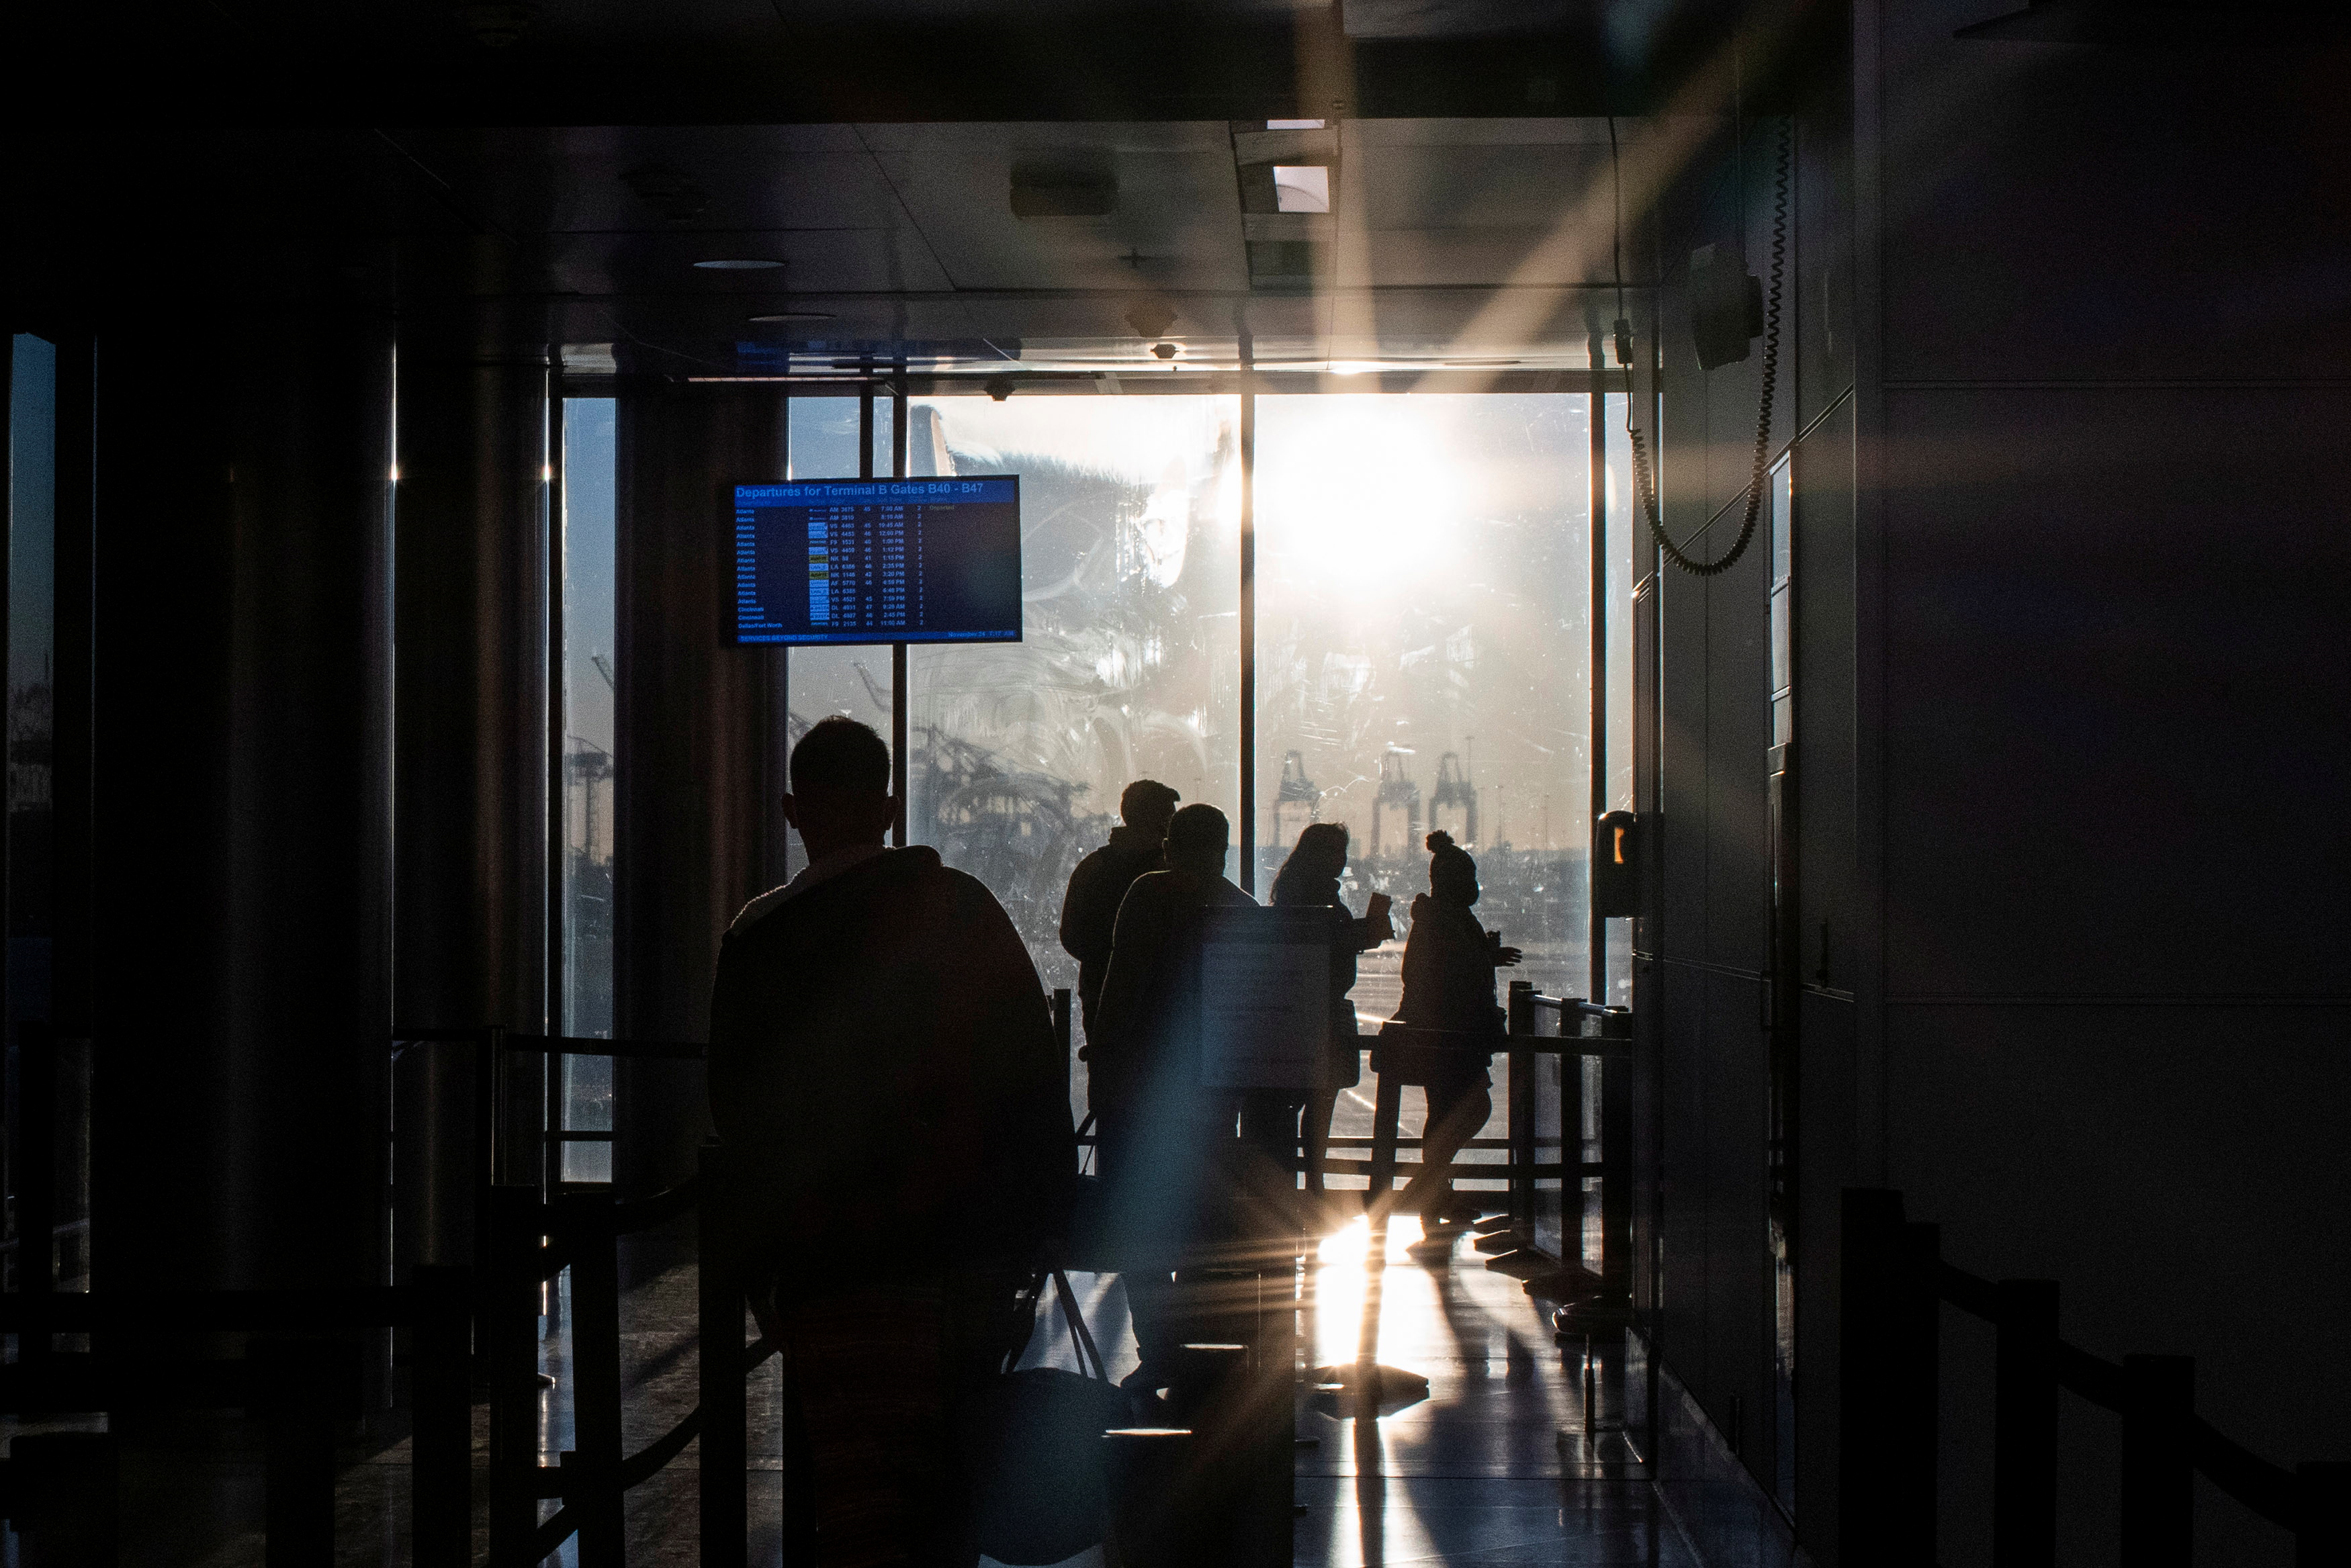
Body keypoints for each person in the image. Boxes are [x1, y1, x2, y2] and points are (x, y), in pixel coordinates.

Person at [707, 717, 1074, 1568]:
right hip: (969, 1255)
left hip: (837, 1268)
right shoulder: (963, 911)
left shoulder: (760, 939)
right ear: (892, 805)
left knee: (861, 1501)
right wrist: (1040, 1218)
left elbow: (739, 1109)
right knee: (956, 1482)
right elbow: (1027, 1073)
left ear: (793, 810)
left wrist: (764, 1259)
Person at [1087, 801, 1255, 1393]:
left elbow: (1120, 989)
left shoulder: (1147, 896)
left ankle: (1158, 1344)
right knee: (1201, 1219)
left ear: (1168, 846)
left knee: (1142, 1223)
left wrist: (1102, 1061)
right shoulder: (1242, 909)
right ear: (1226, 848)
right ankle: (1192, 1340)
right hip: (1211, 1097)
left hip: (1140, 1088)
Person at [1386, 829, 1521, 1240]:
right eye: (1470, 876)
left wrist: (1484, 958)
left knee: (1444, 1114)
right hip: (1450, 1035)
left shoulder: (1440, 917)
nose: (1476, 885)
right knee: (1471, 1107)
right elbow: (1440, 974)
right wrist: (1484, 960)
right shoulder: (1445, 920)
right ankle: (1427, 1186)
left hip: (1445, 1034)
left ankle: (1434, 1192)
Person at [1266, 823, 1392, 1208]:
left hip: (1299, 1009)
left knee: (1303, 1101)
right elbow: (1322, 942)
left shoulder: (1294, 892)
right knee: (1321, 1101)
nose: (1344, 860)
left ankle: (1299, 1184)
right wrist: (1362, 934)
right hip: (1320, 1011)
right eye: (1338, 852)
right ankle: (1315, 1184)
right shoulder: (1319, 899)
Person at [1058, 778, 1180, 1044]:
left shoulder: (1092, 867)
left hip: (1099, 993)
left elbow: (1071, 937)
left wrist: (1107, 962)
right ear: (1157, 821)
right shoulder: (1170, 874)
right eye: (1169, 816)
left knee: (1105, 1073)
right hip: (1163, 996)